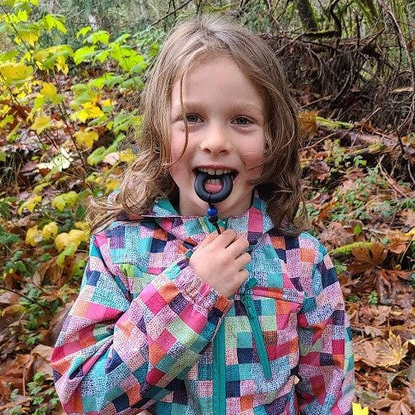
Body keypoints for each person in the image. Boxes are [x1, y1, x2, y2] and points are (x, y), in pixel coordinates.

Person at [51, 14, 355, 414]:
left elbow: (330, 394)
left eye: (242, 121)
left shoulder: (302, 260)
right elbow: (82, 393)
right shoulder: (119, 251)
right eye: (192, 118)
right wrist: (191, 293)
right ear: (160, 131)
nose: (214, 142)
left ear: (272, 137)